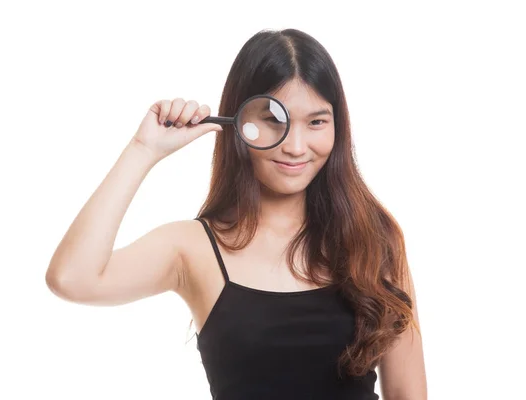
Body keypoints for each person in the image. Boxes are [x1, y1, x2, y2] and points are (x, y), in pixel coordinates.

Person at [45, 28, 427, 399]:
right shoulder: (191, 248)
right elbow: (71, 278)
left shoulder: (373, 238)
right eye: (274, 120)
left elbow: (408, 394)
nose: (295, 146)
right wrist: (144, 149)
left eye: (316, 122)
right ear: (239, 123)